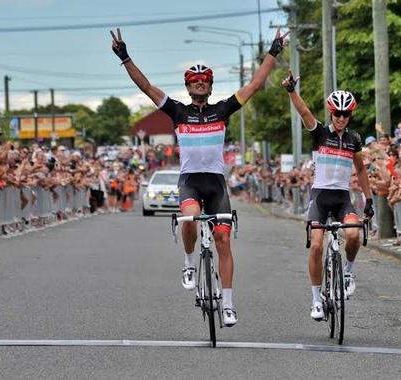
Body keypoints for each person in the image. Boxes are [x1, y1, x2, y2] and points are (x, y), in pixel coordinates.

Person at [110, 27, 289, 327]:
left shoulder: (222, 110)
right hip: (190, 181)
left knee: (223, 239)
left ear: (210, 85)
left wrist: (273, 51)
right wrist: (125, 57)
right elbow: (147, 88)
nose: (200, 84)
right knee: (190, 217)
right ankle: (189, 262)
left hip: (216, 183)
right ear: (188, 86)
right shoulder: (178, 112)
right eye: (195, 81)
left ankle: (229, 304)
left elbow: (256, 85)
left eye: (204, 81)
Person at [281, 71, 374, 321]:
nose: (341, 118)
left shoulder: (354, 139)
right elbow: (304, 112)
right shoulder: (320, 133)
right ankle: (315, 300)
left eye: (345, 114)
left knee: (354, 234)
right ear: (331, 113)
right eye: (337, 114)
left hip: (342, 197)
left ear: (350, 115)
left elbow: (362, 170)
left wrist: (369, 200)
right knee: (317, 246)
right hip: (320, 196)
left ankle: (348, 272)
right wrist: (291, 90)